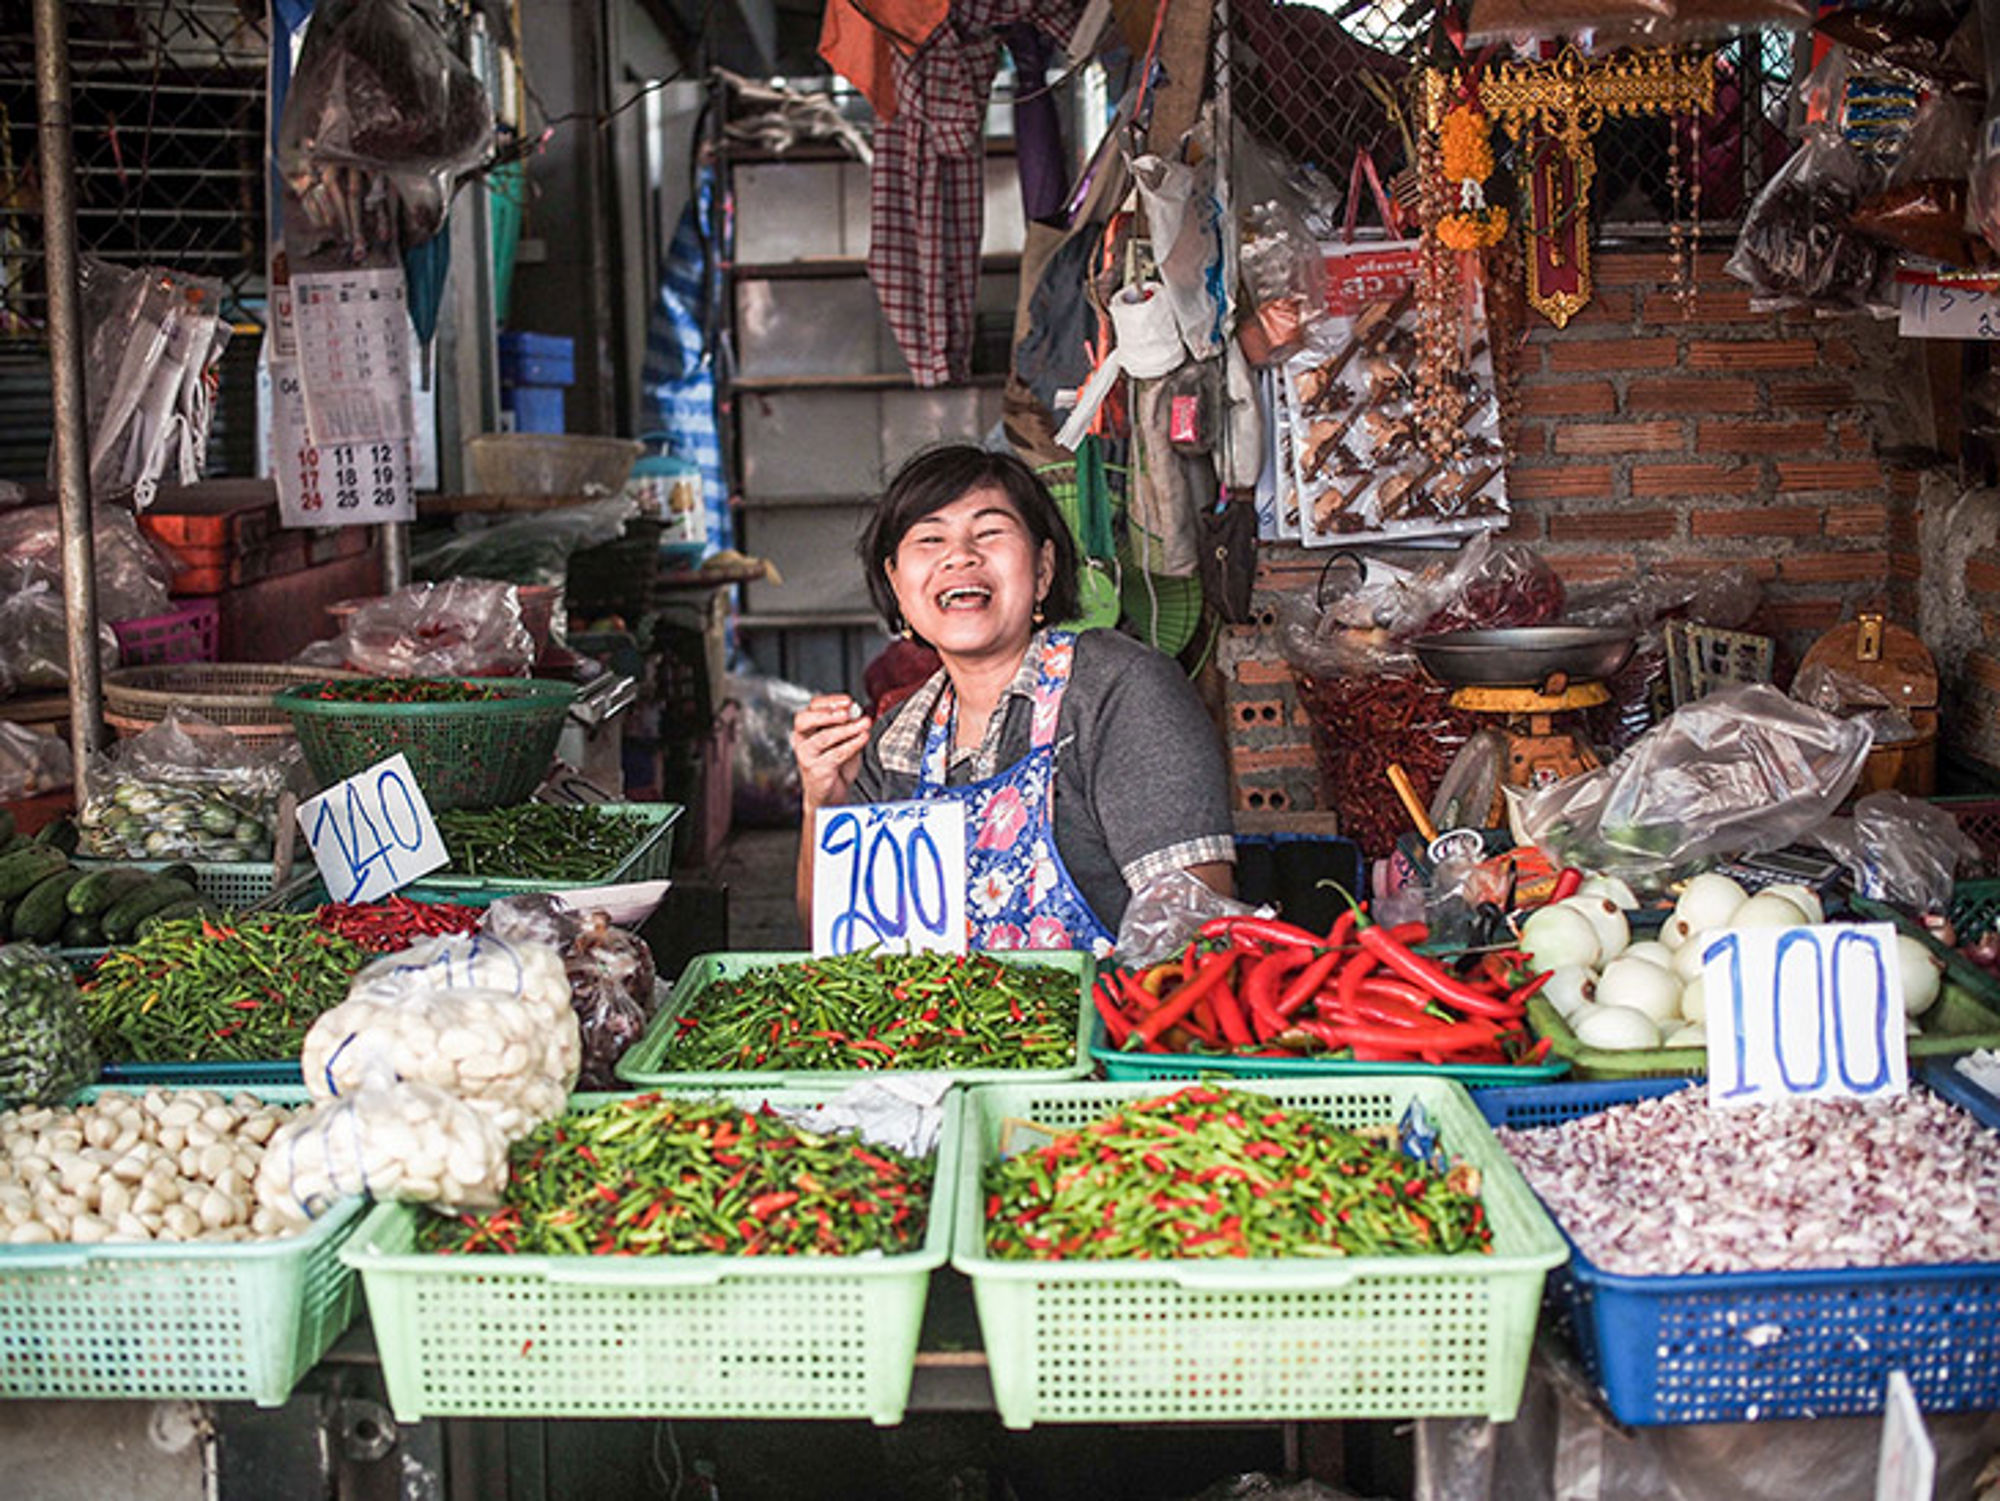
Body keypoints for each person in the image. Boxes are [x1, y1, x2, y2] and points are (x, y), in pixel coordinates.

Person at [790, 444, 1235, 952]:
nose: (960, 555)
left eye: (989, 532)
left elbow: (1195, 932)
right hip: (935, 1032)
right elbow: (839, 949)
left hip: (1110, 1025)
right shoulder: (895, 740)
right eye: (930, 538)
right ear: (896, 586)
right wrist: (822, 804)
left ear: (1043, 570)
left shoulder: (1120, 691)